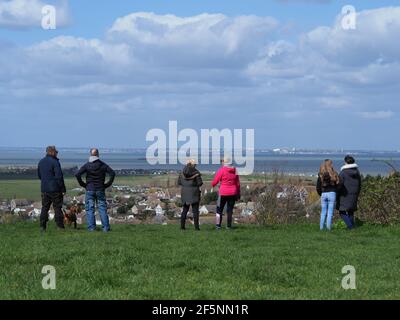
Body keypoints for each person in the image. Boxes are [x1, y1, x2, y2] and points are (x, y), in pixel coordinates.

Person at [75, 148, 115, 232]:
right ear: (98, 154)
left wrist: (83, 184)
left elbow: (77, 174)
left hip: (89, 189)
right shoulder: (103, 165)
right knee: (102, 208)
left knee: (90, 209)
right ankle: (106, 228)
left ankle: (91, 228)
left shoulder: (87, 165)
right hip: (100, 188)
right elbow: (112, 173)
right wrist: (107, 184)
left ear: (90, 154)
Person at [38, 146, 66, 232]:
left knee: (44, 208)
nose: (57, 153)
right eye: (56, 152)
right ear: (52, 152)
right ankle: (60, 226)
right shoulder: (55, 162)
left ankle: (42, 227)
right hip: (55, 189)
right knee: (57, 208)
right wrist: (63, 189)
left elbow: (39, 176)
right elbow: (59, 177)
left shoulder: (41, 162)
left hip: (44, 189)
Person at [211, 157, 241, 230]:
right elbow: (238, 183)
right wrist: (238, 193)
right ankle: (228, 226)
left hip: (223, 192)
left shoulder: (222, 170)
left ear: (225, 162)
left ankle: (218, 225)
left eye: (222, 161)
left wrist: (213, 184)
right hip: (233, 192)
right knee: (230, 210)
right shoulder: (235, 170)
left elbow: (215, 182)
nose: (221, 162)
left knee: (219, 209)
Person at [178, 159, 203, 231]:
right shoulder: (196, 172)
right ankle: (196, 228)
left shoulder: (182, 172)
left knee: (185, 210)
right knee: (195, 211)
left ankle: (182, 227)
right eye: (195, 164)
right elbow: (200, 183)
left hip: (185, 193)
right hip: (194, 193)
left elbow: (179, 182)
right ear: (193, 165)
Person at [337, 155, 361, 230]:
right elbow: (360, 184)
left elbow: (340, 184)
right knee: (351, 211)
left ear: (346, 162)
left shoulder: (343, 172)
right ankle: (352, 226)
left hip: (344, 194)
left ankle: (350, 227)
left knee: (342, 212)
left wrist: (338, 193)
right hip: (354, 194)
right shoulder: (357, 172)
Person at [316, 159, 340, 231]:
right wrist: (336, 192)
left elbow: (318, 186)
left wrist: (321, 193)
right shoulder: (334, 174)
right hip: (332, 194)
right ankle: (329, 228)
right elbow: (338, 185)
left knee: (323, 212)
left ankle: (321, 228)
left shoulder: (321, 175)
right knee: (330, 212)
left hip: (324, 194)